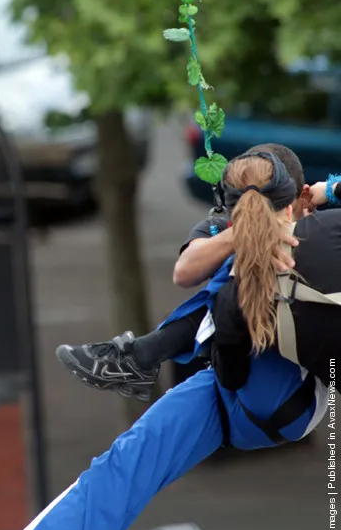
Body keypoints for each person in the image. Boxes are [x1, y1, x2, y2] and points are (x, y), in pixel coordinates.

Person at [0, 152, 341, 530]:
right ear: (294, 199)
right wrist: (311, 200)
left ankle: (143, 355)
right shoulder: (262, 235)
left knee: (227, 294)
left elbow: (232, 368)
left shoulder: (266, 268)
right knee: (127, 458)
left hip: (274, 395)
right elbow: (186, 271)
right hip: (253, 395)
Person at [55, 143, 311, 401]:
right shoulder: (218, 228)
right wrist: (249, 231)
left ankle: (143, 354)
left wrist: (329, 193)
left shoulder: (317, 226)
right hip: (239, 375)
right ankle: (141, 356)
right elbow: (185, 273)